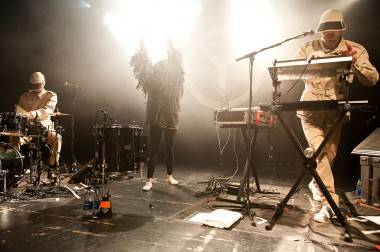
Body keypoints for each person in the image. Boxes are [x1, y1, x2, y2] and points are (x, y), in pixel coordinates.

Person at [295, 9, 379, 222]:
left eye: (334, 29)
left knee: (328, 158)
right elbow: (292, 73)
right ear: (320, 30)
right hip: (310, 112)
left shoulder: (354, 49)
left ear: (341, 29)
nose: (329, 33)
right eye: (325, 29)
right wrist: (309, 64)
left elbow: (372, 79)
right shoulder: (308, 48)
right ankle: (329, 204)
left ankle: (316, 182)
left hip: (335, 114)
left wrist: (354, 62)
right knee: (320, 155)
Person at [130, 40, 184, 191]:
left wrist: (171, 44)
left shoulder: (177, 73)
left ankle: (169, 175)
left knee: (169, 147)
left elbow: (177, 59)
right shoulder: (156, 73)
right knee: (153, 149)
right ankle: (149, 180)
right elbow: (146, 74)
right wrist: (143, 49)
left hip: (171, 114)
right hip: (156, 114)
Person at [12, 72, 62, 182]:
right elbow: (18, 113)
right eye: (34, 85)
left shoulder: (50, 95)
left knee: (57, 138)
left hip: (44, 129)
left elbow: (48, 110)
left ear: (44, 82)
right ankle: (17, 168)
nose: (37, 87)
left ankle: (52, 168)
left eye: (39, 84)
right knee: (14, 138)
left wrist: (34, 113)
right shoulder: (24, 97)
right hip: (27, 130)